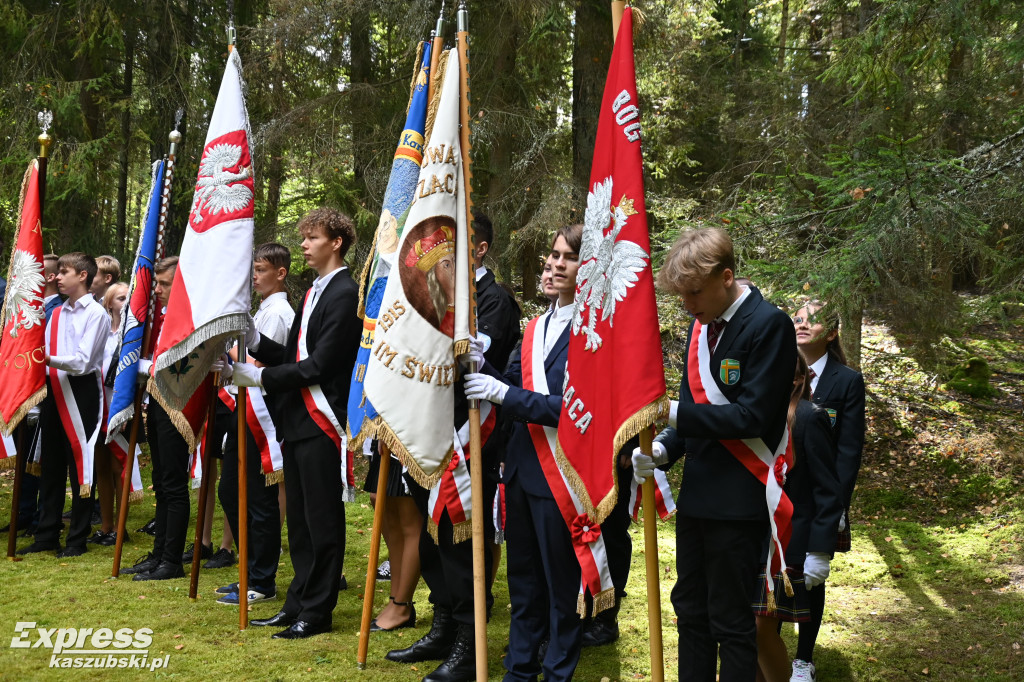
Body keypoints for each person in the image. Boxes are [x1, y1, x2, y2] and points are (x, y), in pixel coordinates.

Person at [632, 227, 797, 682]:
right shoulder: (701, 325)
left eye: (693, 292)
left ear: (726, 277)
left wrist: (670, 411)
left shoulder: (770, 325)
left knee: (731, 620)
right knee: (689, 612)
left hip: (740, 501)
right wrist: (663, 448)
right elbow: (693, 411)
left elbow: (752, 418)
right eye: (682, 295)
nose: (687, 304)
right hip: (700, 498)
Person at [386, 211, 522, 681]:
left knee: (463, 540)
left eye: (455, 247)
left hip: (474, 441)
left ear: (479, 250)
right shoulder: (440, 296)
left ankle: (468, 639)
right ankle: (443, 621)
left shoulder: (495, 299)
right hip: (435, 430)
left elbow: (480, 361)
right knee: (431, 538)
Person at [229, 208, 362, 640]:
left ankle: (318, 610)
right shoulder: (312, 292)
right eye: (304, 238)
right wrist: (253, 340)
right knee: (301, 522)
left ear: (336, 243)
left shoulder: (345, 292)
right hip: (298, 418)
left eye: (313, 238)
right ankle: (299, 601)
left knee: (322, 520)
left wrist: (260, 376)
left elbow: (322, 364)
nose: (304, 244)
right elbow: (292, 356)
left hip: (322, 419)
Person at [462, 224, 583, 682]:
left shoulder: (593, 335)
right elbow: (510, 385)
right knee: (523, 584)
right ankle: (518, 669)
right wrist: (483, 366)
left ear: (585, 269)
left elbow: (573, 410)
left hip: (562, 476)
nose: (553, 265)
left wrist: (500, 392)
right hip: (520, 468)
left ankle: (557, 672)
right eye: (552, 255)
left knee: (559, 585)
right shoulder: (535, 327)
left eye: (566, 258)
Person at [213, 243, 295, 606]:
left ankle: (262, 579)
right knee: (230, 491)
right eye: (254, 269)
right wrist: (229, 369)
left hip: (262, 415)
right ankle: (250, 568)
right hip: (243, 409)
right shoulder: (262, 311)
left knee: (259, 500)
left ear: (280, 273)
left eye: (261, 270)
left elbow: (270, 368)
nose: (255, 276)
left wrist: (234, 362)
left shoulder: (278, 314)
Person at [753, 356, 843, 682]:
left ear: (795, 380)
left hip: (794, 533)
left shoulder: (809, 416)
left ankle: (801, 662)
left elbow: (827, 489)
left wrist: (820, 549)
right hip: (757, 531)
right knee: (757, 620)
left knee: (779, 613)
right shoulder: (754, 414)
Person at [789, 301, 865, 682]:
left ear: (831, 333)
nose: (802, 324)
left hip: (820, 496)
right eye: (797, 318)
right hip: (780, 490)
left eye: (812, 320)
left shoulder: (846, 381)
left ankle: (804, 657)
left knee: (810, 578)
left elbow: (848, 451)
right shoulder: (778, 369)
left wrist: (836, 508)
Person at [18, 253, 109, 558]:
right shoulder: (56, 313)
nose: (56, 277)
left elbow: (83, 362)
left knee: (79, 464)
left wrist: (45, 359)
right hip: (54, 390)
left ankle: (77, 539)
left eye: (63, 272)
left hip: (81, 392)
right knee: (51, 465)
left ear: (82, 276)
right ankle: (47, 533)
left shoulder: (96, 314)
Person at [122, 256, 195, 581]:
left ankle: (172, 560)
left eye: (165, 284)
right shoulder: (162, 317)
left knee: (174, 485)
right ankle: (158, 554)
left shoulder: (190, 318)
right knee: (163, 484)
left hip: (178, 404)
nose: (158, 290)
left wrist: (138, 366)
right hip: (157, 400)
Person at [89, 281, 129, 546]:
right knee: (101, 466)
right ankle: (105, 525)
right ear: (109, 303)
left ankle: (121, 526)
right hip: (97, 403)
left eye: (128, 298)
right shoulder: (102, 330)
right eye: (120, 299)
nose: (124, 303)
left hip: (120, 404)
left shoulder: (133, 334)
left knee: (118, 466)